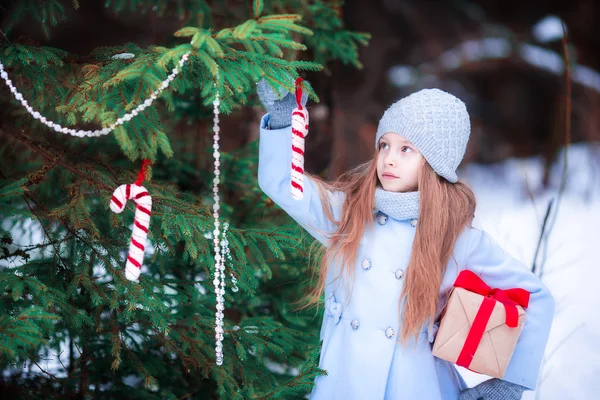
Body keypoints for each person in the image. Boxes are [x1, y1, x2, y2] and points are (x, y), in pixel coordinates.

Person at [255, 79, 555, 400]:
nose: (389, 159)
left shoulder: (456, 238)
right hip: (341, 385)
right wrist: (284, 118)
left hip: (416, 387)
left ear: (435, 163)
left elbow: (537, 298)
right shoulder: (351, 214)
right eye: (384, 145)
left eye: (406, 149)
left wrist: (508, 384)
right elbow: (283, 185)